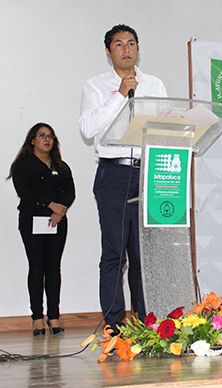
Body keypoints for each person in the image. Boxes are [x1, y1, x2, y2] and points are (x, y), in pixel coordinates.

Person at [79, 24, 167, 331]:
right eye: (119, 44)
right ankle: (113, 324)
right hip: (113, 173)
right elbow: (89, 129)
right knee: (114, 253)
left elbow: (164, 126)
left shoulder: (155, 84)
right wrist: (120, 95)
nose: (126, 49)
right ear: (108, 52)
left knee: (144, 257)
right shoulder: (95, 86)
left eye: (131, 43)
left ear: (138, 48)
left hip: (148, 174)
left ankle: (147, 323)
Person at [8, 123, 75, 335]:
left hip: (57, 221)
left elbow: (70, 192)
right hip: (32, 220)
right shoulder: (23, 165)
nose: (47, 139)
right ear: (32, 140)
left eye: (51, 136)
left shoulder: (61, 166)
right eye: (42, 135)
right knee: (37, 267)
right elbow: (25, 192)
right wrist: (49, 205)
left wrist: (60, 210)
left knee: (53, 268)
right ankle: (37, 317)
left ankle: (54, 317)